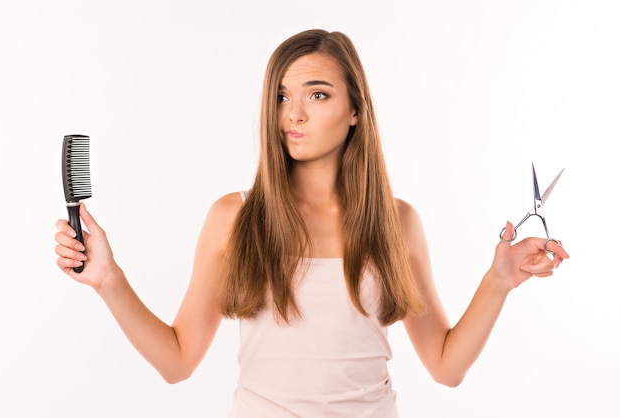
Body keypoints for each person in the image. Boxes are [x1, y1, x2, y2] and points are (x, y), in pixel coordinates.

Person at [54, 29, 569, 417]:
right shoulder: (234, 218)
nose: (293, 113)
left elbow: (445, 366)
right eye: (282, 96)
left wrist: (498, 282)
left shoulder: (397, 221)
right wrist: (108, 280)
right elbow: (177, 362)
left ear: (354, 110)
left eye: (317, 94)